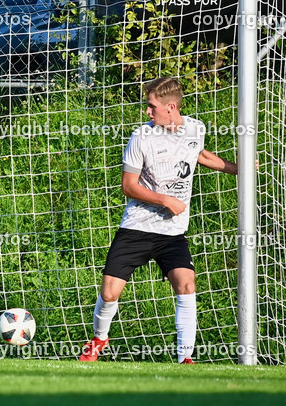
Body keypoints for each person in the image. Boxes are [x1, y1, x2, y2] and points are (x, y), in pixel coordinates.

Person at [80, 77, 239, 363]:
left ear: (171, 106)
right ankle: (99, 338)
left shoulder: (195, 128)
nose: (147, 112)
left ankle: (185, 357)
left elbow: (199, 154)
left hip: (172, 232)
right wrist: (165, 200)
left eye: (151, 107)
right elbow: (128, 186)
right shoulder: (141, 137)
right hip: (137, 227)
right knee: (109, 292)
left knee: (186, 284)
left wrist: (237, 169)